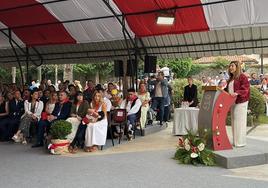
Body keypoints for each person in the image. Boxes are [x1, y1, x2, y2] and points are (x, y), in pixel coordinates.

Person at [226, 61, 250, 147]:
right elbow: (227, 90)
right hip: (233, 102)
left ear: (237, 67)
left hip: (241, 101)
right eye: (229, 66)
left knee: (240, 122)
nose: (230, 68)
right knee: (234, 121)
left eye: (232, 66)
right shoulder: (231, 78)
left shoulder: (242, 77)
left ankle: (240, 142)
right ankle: (236, 141)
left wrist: (237, 93)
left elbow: (245, 88)